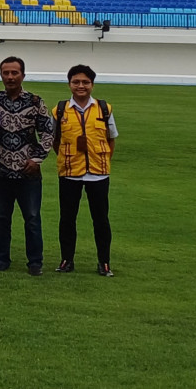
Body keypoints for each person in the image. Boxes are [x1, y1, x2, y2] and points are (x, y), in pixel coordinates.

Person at [0, 56, 55, 276]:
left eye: (14, 73)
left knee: (32, 218)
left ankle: (35, 262)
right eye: (6, 73)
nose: (10, 77)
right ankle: (2, 259)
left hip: (28, 172)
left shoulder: (35, 102)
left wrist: (37, 160)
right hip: (0, 171)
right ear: (1, 75)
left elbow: (48, 132)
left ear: (23, 75)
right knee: (2, 219)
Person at [53, 64, 118, 277]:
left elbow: (111, 139)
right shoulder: (60, 110)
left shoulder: (104, 109)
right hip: (69, 172)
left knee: (101, 220)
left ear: (92, 84)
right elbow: (55, 140)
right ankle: (66, 260)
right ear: (69, 84)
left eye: (85, 82)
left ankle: (104, 262)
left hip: (98, 173)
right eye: (76, 82)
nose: (81, 86)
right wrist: (67, 158)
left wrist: (102, 160)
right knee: (67, 219)